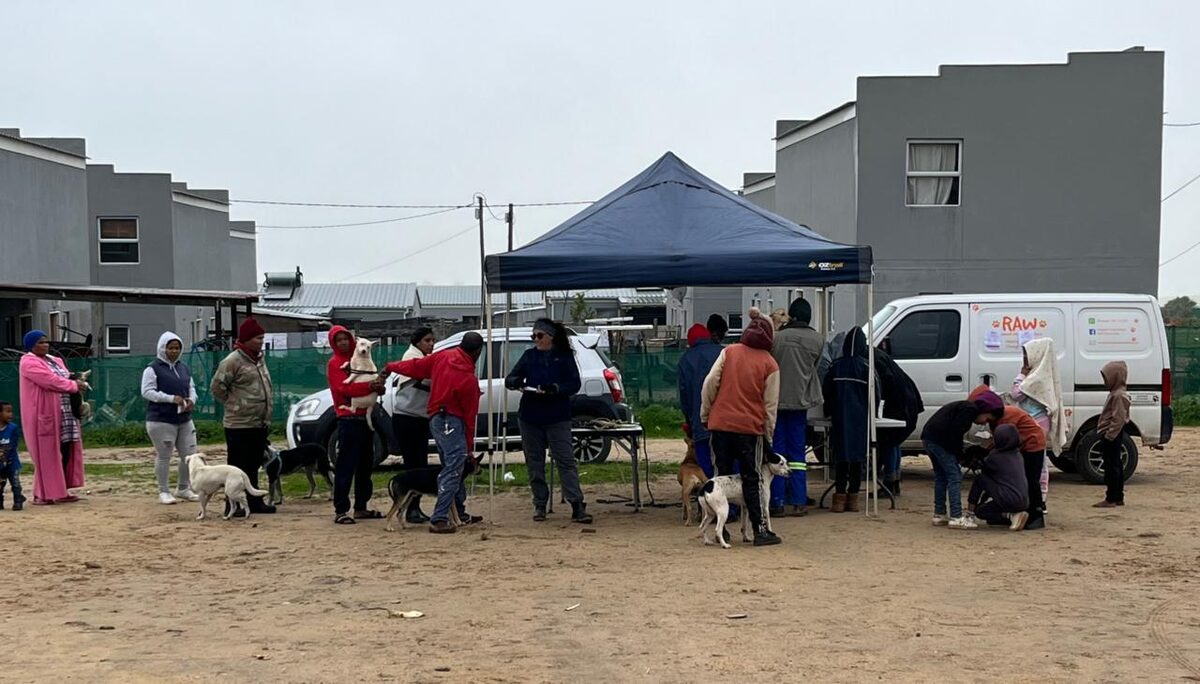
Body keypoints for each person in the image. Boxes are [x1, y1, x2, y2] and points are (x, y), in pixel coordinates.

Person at [388, 332, 485, 534]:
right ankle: (440, 518)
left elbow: (414, 367)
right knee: (454, 469)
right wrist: (468, 445)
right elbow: (469, 417)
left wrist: (390, 366)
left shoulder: (442, 357)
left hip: (435, 418)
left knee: (449, 467)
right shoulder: (468, 379)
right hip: (453, 421)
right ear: (478, 352)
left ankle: (458, 512)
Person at [701, 309, 781, 547]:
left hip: (720, 425)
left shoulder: (729, 351)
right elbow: (770, 407)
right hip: (750, 430)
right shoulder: (770, 364)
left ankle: (722, 531)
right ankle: (760, 530)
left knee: (720, 476)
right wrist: (768, 436)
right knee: (752, 478)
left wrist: (706, 414)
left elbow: (709, 384)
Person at [505, 319, 591, 524]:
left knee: (565, 461)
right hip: (530, 416)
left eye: (539, 335)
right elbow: (510, 378)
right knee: (534, 463)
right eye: (533, 336)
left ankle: (577, 504)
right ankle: (540, 503)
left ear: (551, 337)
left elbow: (574, 383)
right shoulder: (529, 356)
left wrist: (555, 388)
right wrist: (516, 382)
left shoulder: (564, 357)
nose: (536, 340)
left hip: (557, 417)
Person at [210, 318, 275, 516]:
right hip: (238, 424)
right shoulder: (232, 361)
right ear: (246, 339)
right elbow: (217, 387)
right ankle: (233, 505)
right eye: (257, 338)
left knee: (254, 464)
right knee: (237, 467)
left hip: (258, 422)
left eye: (262, 337)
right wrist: (236, 404)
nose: (261, 341)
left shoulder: (259, 359)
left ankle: (255, 502)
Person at [326, 325, 387, 525]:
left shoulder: (363, 360)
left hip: (366, 417)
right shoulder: (335, 364)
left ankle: (361, 506)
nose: (343, 342)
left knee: (365, 465)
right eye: (338, 340)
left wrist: (379, 388)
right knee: (346, 465)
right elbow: (344, 389)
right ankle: (341, 509)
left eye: (346, 339)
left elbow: (370, 382)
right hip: (348, 419)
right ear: (334, 344)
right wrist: (370, 386)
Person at [18, 330, 87, 505]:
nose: (45, 345)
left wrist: (76, 380)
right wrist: (73, 385)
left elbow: (63, 377)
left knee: (64, 450)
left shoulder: (55, 360)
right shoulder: (28, 362)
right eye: (40, 342)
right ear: (31, 345)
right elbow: (49, 380)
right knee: (46, 454)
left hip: (65, 411)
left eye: (46, 341)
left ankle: (61, 490)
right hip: (44, 412)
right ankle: (41, 494)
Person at [770, 298, 824, 517]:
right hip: (800, 403)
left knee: (777, 451)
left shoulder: (776, 338)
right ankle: (799, 501)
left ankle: (777, 501)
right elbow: (815, 368)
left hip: (776, 402)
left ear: (790, 316)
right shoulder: (818, 340)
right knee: (797, 454)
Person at [969, 385, 1049, 530]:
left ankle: (1036, 515)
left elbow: (1002, 442)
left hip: (1033, 445)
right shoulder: (996, 420)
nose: (976, 421)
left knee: (1031, 481)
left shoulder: (1007, 418)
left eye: (977, 417)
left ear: (986, 411)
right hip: (1022, 446)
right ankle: (1015, 514)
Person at [920, 392, 1005, 529]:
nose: (985, 423)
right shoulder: (969, 410)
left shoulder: (964, 407)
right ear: (984, 410)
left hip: (929, 438)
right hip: (940, 441)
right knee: (954, 476)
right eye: (987, 418)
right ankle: (956, 516)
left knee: (941, 477)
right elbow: (955, 434)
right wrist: (960, 456)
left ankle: (939, 513)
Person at [822, 327, 877, 513]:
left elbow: (827, 393)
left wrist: (828, 411)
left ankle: (838, 498)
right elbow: (875, 395)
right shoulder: (867, 367)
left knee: (841, 458)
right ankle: (853, 498)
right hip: (861, 421)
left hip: (839, 419)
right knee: (857, 459)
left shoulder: (836, 366)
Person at [141, 332, 200, 505]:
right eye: (170, 348)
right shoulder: (152, 368)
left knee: (189, 454)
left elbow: (192, 387)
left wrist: (191, 399)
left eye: (177, 348)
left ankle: (183, 488)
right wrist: (170, 398)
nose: (174, 351)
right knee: (164, 455)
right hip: (161, 419)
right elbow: (147, 391)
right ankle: (164, 490)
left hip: (184, 418)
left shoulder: (183, 368)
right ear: (163, 348)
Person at [389, 327, 436, 523]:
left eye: (433, 340)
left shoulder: (423, 357)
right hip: (407, 418)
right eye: (427, 340)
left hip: (419, 417)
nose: (431, 344)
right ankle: (409, 509)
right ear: (417, 342)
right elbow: (417, 381)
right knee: (414, 467)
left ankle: (413, 508)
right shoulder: (412, 357)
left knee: (420, 465)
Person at [1011, 338, 1066, 504]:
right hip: (1038, 421)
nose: (1025, 361)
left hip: (1035, 423)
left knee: (1036, 461)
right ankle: (1039, 497)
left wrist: (1021, 373)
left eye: (1027, 356)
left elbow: (1016, 394)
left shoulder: (1035, 378)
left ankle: (1039, 498)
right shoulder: (1040, 375)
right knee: (1038, 460)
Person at [874, 342, 923, 495]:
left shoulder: (875, 360)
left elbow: (885, 382)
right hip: (908, 402)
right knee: (894, 444)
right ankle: (894, 482)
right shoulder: (880, 356)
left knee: (889, 442)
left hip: (899, 405)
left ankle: (890, 483)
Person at [677, 320, 724, 478]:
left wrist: (689, 421)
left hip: (699, 420)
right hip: (725, 419)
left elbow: (684, 395)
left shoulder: (685, 359)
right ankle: (730, 500)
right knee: (726, 461)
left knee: (704, 462)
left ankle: (707, 496)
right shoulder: (723, 353)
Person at [966, 424, 1030, 530]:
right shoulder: (1018, 455)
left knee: (979, 479)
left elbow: (984, 475)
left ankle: (969, 514)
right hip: (1023, 501)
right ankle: (1013, 516)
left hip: (1009, 499)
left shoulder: (995, 457)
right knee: (985, 511)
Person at [1093, 361, 1131, 508]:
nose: (1105, 382)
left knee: (1111, 467)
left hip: (1112, 435)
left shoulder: (1119, 395)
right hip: (1112, 434)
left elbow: (1119, 418)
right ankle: (1118, 496)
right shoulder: (1116, 394)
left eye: (1107, 378)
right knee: (1116, 465)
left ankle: (1111, 498)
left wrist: (1109, 435)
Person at [0, 402, 24, 511]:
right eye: (7, 411)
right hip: (0, 463)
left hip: (12, 462)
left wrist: (7, 460)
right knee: (1, 484)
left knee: (15, 483)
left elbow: (13, 445)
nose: (11, 414)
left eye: (11, 411)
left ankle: (18, 501)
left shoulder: (13, 428)